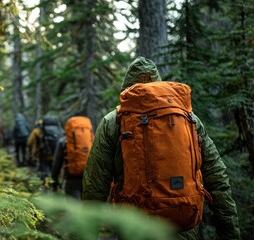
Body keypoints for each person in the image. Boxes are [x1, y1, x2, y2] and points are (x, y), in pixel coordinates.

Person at [82, 57, 240, 239]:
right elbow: (217, 177)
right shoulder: (189, 119)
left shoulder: (114, 121)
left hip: (136, 227)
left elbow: (95, 184)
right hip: (183, 225)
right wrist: (230, 234)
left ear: (127, 87)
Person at [52, 116, 94, 200]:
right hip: (90, 178)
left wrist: (54, 181)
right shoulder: (92, 140)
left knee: (74, 209)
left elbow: (56, 164)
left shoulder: (63, 141)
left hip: (72, 178)